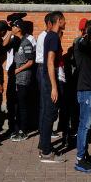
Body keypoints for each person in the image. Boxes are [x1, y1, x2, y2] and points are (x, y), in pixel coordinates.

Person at [73, 19, 91, 173]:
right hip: (85, 91)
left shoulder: (88, 46)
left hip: (90, 89)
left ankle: (85, 155)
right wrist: (90, 31)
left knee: (86, 125)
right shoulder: (81, 43)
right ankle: (80, 160)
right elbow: (83, 42)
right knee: (84, 125)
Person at [38, 11, 66, 162]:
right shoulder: (53, 37)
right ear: (59, 21)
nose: (65, 23)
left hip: (49, 79)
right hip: (52, 80)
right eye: (64, 20)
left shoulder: (50, 36)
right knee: (50, 114)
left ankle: (44, 146)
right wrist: (54, 86)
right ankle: (46, 152)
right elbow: (50, 61)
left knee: (48, 114)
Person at [8, 19, 36, 141]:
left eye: (13, 26)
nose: (12, 29)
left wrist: (18, 70)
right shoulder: (16, 41)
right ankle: (17, 129)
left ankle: (23, 131)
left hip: (23, 78)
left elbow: (30, 61)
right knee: (18, 104)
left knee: (23, 105)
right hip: (17, 79)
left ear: (19, 28)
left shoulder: (26, 43)